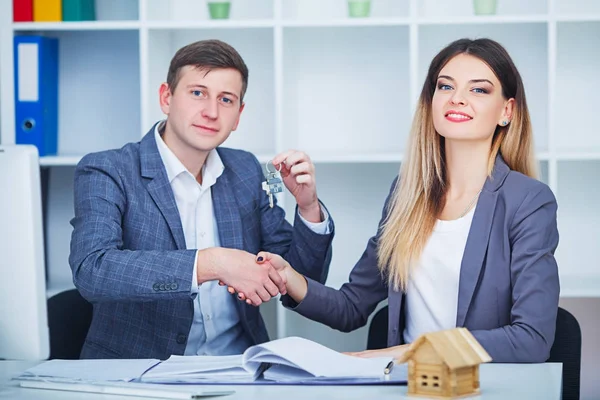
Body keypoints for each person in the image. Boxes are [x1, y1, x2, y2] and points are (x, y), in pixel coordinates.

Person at [231, 38, 560, 363]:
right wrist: (288, 276)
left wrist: (411, 352)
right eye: (445, 87)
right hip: (406, 387)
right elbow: (351, 306)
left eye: (478, 90)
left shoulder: (528, 202)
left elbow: (531, 339)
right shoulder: (406, 194)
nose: (457, 99)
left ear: (507, 110)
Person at [69, 39, 334, 360]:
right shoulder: (108, 169)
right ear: (166, 97)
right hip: (138, 370)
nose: (211, 112)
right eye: (198, 93)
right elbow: (93, 270)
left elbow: (303, 279)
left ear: (238, 115)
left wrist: (307, 208)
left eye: (226, 99)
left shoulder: (246, 169)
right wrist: (211, 263)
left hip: (238, 365)